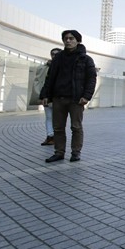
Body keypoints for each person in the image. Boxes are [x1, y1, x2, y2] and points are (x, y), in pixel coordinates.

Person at [41, 30, 97, 163]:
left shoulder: (85, 59)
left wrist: (86, 96)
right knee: (58, 128)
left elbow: (91, 79)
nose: (68, 41)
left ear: (77, 41)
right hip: (58, 98)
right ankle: (59, 152)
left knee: (76, 127)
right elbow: (50, 78)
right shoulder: (58, 58)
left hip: (76, 99)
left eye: (71, 38)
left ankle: (76, 152)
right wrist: (45, 95)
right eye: (65, 38)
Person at [33, 48, 61, 145]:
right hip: (47, 97)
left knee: (58, 119)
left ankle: (57, 137)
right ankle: (50, 136)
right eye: (52, 54)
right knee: (49, 117)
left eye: (57, 54)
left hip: (59, 97)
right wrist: (41, 95)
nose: (54, 56)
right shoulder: (44, 67)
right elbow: (39, 81)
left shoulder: (63, 66)